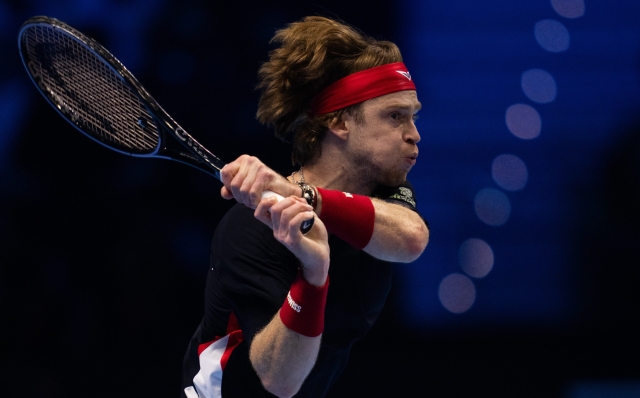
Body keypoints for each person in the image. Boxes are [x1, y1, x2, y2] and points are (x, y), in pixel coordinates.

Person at [181, 16, 429, 398]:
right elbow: (279, 380)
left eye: (413, 116)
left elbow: (411, 238)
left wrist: (305, 197)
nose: (413, 134)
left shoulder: (387, 198)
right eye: (395, 116)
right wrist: (313, 275)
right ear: (340, 122)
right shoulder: (252, 226)